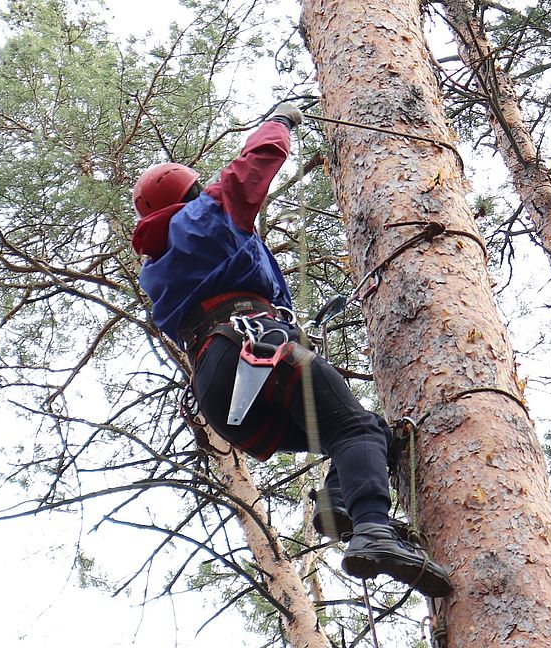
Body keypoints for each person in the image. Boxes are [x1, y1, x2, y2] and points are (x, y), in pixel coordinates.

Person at [131, 102, 451, 598]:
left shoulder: (160, 265)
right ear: (190, 193)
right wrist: (280, 123)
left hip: (224, 394)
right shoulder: (202, 220)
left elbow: (231, 293)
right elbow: (247, 173)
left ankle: (338, 501)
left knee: (363, 438)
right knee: (357, 426)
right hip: (249, 348)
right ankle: (373, 528)